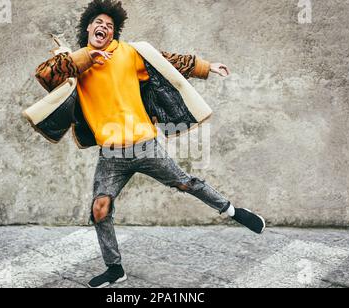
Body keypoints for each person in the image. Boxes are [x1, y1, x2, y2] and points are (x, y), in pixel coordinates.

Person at [34, 0, 265, 288]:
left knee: (185, 182)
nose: (104, 27)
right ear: (88, 28)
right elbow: (46, 74)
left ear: (114, 33)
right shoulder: (75, 64)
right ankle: (115, 269)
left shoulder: (129, 53)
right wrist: (84, 58)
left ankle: (233, 211)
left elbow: (166, 62)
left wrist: (207, 66)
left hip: (145, 144)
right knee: (100, 209)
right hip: (110, 155)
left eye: (110, 25)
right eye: (98, 23)